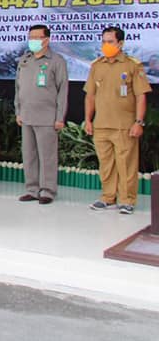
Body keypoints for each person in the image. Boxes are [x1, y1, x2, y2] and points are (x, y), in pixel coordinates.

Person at [84, 26, 151, 214]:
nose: (106, 45)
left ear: (120, 43)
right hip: (101, 125)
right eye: (104, 41)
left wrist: (138, 122)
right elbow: (90, 96)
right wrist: (88, 120)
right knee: (106, 164)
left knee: (126, 165)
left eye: (110, 42)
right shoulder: (97, 65)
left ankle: (127, 200)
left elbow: (141, 96)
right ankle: (108, 197)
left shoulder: (132, 65)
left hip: (124, 126)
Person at [15, 24, 68, 205]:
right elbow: (18, 88)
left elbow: (62, 91)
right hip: (26, 115)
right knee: (29, 154)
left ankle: (47, 190)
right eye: (31, 37)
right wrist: (18, 111)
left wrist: (59, 117)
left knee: (47, 156)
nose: (33, 41)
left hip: (47, 116)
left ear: (47, 40)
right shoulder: (25, 60)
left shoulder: (56, 61)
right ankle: (32, 189)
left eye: (37, 37)